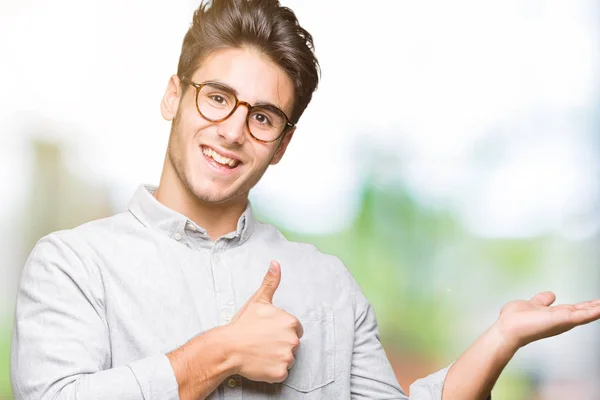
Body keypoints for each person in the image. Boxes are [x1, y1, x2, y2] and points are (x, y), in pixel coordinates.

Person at [10, 0, 600, 399]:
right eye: (217, 98)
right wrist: (222, 352)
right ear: (174, 96)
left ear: (283, 144)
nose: (233, 130)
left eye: (262, 117)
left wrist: (499, 339)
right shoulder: (73, 265)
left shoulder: (327, 284)